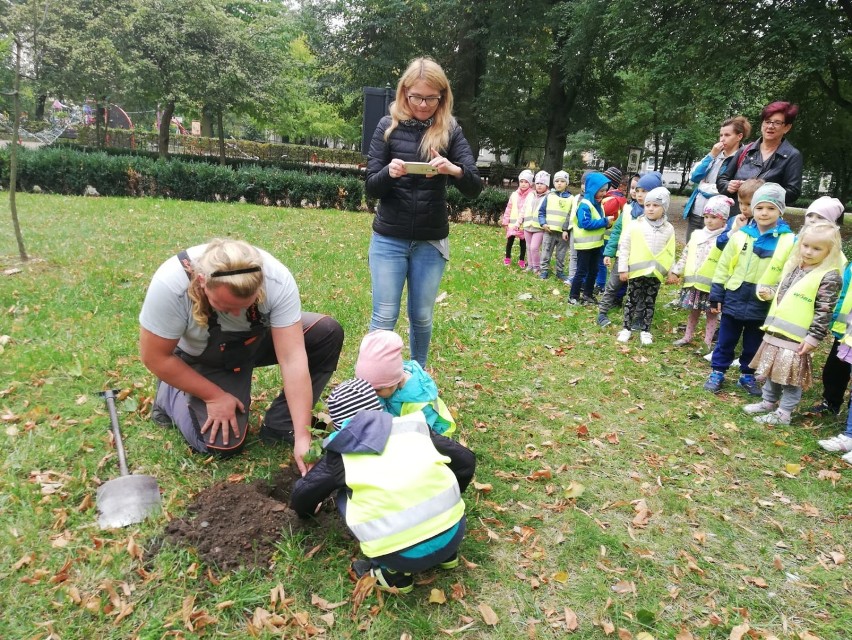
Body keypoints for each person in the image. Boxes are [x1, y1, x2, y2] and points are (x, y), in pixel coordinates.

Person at [139, 239, 344, 475]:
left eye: (245, 305)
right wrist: (214, 396)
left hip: (253, 343)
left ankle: (281, 424)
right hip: (204, 356)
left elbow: (292, 358)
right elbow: (154, 357)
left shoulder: (276, 279)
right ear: (203, 282)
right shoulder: (171, 284)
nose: (236, 314)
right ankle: (170, 392)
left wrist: (302, 436)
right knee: (220, 444)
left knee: (326, 333)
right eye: (225, 307)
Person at [290, 378, 475, 593]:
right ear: (378, 407)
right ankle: (446, 554)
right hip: (454, 534)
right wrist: (447, 496)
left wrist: (304, 512)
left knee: (343, 495)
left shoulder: (341, 456)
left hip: (402, 557)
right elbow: (466, 461)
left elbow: (304, 493)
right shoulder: (414, 428)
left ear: (341, 426)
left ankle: (392, 573)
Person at [365, 57, 482, 367]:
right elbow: (371, 187)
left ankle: (417, 376)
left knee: (421, 316)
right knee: (384, 316)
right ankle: (372, 380)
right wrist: (389, 173)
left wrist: (453, 170)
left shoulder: (451, 130)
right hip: (389, 238)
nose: (423, 104)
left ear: (442, 96)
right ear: (404, 92)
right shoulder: (386, 127)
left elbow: (474, 186)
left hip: (430, 242)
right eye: (416, 96)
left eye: (432, 98)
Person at [744, 222, 842, 425]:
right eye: (806, 245)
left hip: (797, 337)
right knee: (772, 369)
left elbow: (824, 310)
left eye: (817, 248)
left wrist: (814, 336)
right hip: (777, 330)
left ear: (829, 251)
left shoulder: (829, 276)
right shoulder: (796, 266)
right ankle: (768, 401)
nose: (809, 251)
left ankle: (784, 412)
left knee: (790, 376)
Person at [704, 183, 795, 394]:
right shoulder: (740, 235)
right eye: (760, 207)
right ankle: (718, 371)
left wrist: (776, 295)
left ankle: (747, 374)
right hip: (735, 295)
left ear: (781, 210)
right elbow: (724, 266)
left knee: (754, 341)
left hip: (762, 301)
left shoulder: (788, 240)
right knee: (726, 339)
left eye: (771, 208)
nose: (764, 213)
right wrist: (717, 294)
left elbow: (789, 273)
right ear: (752, 208)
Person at [355, 329, 455, 435]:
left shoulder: (419, 405)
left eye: (377, 390)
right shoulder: (386, 386)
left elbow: (418, 437)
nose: (371, 393)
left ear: (394, 381)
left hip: (428, 435)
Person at [803, 198, 850, 416]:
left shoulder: (839, 258)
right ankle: (830, 402)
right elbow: (843, 290)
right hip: (844, 329)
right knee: (835, 369)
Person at [597, 172, 661, 328]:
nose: (639, 195)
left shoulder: (656, 217)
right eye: (637, 190)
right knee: (613, 285)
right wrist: (609, 252)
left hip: (642, 260)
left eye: (644, 191)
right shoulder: (627, 209)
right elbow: (617, 231)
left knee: (639, 289)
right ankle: (602, 312)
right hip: (623, 257)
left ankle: (638, 318)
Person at [668, 196, 732, 348]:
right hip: (694, 283)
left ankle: (707, 342)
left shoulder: (725, 239)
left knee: (712, 313)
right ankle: (687, 336)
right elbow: (686, 253)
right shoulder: (697, 234)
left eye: (714, 217)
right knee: (694, 311)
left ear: (724, 220)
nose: (709, 221)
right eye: (706, 217)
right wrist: (676, 271)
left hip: (712, 286)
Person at [616, 187, 675, 345]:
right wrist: (623, 269)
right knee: (632, 300)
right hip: (636, 272)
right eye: (648, 204)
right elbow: (625, 247)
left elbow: (670, 251)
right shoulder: (636, 225)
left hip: (654, 273)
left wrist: (672, 271)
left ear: (664, 208)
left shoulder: (668, 229)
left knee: (649, 301)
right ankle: (626, 328)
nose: (650, 208)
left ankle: (645, 330)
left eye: (655, 205)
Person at [717, 102, 803, 207]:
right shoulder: (745, 150)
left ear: (787, 127)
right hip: (736, 216)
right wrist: (728, 186)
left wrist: (760, 191)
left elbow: (793, 192)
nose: (770, 126)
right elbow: (722, 180)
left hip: (765, 217)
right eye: (767, 121)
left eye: (777, 123)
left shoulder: (792, 155)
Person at [682, 116, 751, 243]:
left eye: (727, 135)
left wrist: (704, 186)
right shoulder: (715, 154)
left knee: (710, 252)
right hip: (697, 212)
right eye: (721, 135)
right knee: (690, 248)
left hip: (718, 216)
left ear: (739, 136)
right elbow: (695, 177)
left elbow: (724, 189)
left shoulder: (743, 159)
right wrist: (711, 155)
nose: (722, 139)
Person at [567, 172, 613, 305]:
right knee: (582, 271)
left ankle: (588, 294)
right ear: (593, 189)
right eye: (601, 190)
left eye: (605, 190)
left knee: (594, 270)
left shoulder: (599, 204)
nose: (604, 193)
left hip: (596, 244)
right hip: (584, 245)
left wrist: (607, 224)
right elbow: (585, 224)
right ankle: (573, 296)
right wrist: (604, 222)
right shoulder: (585, 205)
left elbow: (598, 222)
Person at [537, 170, 573, 281]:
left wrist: (566, 229)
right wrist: (543, 223)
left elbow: (571, 215)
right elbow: (541, 212)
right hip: (549, 231)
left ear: (567, 183)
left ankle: (560, 271)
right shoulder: (549, 196)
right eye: (557, 181)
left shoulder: (571, 199)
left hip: (563, 233)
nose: (559, 183)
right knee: (546, 251)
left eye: (562, 181)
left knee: (561, 254)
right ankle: (544, 270)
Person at [596, 167, 627, 292]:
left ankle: (601, 284)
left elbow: (604, 215)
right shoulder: (614, 198)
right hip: (607, 235)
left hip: (606, 235)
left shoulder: (612, 199)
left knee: (601, 261)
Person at [518, 171, 550, 275]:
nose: (539, 185)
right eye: (537, 183)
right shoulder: (530, 195)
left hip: (539, 227)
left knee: (534, 247)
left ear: (547, 185)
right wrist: (519, 222)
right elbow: (524, 209)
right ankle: (530, 265)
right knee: (528, 246)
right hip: (527, 225)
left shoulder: (549, 196)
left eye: (542, 183)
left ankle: (537, 267)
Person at [501, 169, 533, 268]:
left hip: (525, 224)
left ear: (530, 183)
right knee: (510, 241)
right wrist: (505, 222)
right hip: (512, 224)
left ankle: (522, 259)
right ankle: (507, 257)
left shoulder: (532, 195)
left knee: (523, 243)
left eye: (526, 182)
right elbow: (509, 208)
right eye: (521, 181)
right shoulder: (514, 195)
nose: (523, 184)